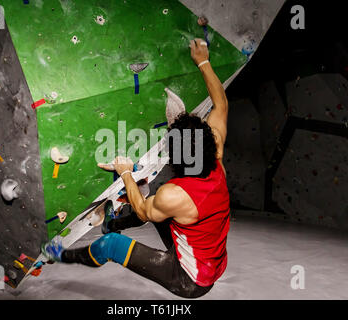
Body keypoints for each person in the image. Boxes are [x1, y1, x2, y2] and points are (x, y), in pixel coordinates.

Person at [42, 38, 231, 298]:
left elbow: (142, 209)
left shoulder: (174, 194)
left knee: (112, 244)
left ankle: (64, 255)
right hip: (211, 256)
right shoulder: (216, 155)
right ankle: (113, 222)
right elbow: (221, 104)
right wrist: (203, 61)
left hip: (191, 279)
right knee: (157, 206)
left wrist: (126, 172)